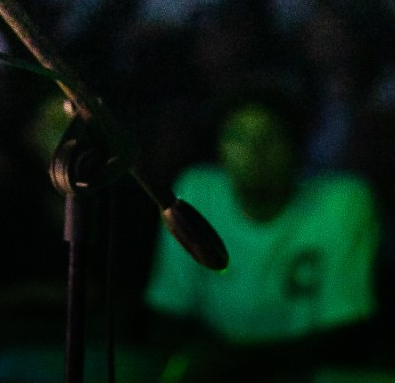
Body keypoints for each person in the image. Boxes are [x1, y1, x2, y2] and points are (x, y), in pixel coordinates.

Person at [146, 86, 379, 377]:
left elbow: (346, 328)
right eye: (238, 136)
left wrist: (239, 365)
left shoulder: (343, 202)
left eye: (272, 136)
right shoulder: (196, 192)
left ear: (297, 145)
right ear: (219, 146)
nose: (255, 151)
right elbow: (169, 309)